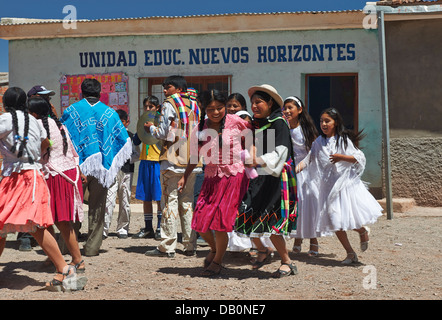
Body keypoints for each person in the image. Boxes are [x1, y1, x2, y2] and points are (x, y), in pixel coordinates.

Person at [0, 87, 83, 291]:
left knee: (20, 225)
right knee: (35, 226)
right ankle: (65, 269)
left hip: (16, 177)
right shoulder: (33, 122)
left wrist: (10, 154)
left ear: (6, 103)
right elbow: (46, 142)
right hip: (34, 175)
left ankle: (65, 269)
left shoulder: (7, 119)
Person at [296, 108, 383, 264]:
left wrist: (340, 157)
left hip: (342, 185)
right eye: (321, 121)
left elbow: (358, 157)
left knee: (343, 218)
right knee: (334, 220)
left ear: (335, 123)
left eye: (327, 121)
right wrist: (293, 170)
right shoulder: (318, 142)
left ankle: (361, 231)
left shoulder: (342, 140)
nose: (323, 124)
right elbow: (308, 160)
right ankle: (350, 252)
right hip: (327, 187)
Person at [178, 90, 251, 276]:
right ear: (203, 108)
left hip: (233, 176)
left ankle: (218, 262)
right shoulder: (200, 129)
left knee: (219, 222)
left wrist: (250, 156)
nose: (216, 112)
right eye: (211, 109)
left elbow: (252, 136)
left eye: (220, 108)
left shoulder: (236, 122)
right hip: (211, 178)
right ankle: (213, 250)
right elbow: (194, 156)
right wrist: (185, 176)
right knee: (199, 222)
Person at [61, 79, 132, 257]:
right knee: (98, 208)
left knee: (73, 207)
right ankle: (92, 248)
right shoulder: (109, 113)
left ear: (81, 93)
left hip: (77, 168)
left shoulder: (71, 110)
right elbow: (123, 140)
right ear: (100, 93)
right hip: (102, 167)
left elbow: (63, 136)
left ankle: (68, 247)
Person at [235, 84, 298, 278]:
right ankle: (263, 250)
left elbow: (281, 152)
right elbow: (252, 146)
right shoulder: (256, 124)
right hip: (258, 176)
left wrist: (258, 160)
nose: (254, 106)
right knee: (246, 214)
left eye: (259, 102)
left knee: (272, 221)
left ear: (270, 103)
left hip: (277, 179)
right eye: (252, 103)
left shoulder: (279, 123)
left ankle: (287, 261)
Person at [144, 75, 201, 258]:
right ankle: (190, 244)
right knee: (187, 202)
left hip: (172, 159)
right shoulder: (194, 104)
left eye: (167, 87)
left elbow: (164, 133)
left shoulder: (170, 103)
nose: (165, 90)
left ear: (176, 88)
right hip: (192, 159)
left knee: (169, 201)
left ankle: (167, 245)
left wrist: (151, 129)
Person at [27, 96, 86, 272]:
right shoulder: (58, 124)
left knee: (59, 221)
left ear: (34, 113)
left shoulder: (38, 126)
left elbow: (42, 147)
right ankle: (56, 257)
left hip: (54, 175)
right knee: (53, 221)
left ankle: (77, 259)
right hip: (66, 173)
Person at [282, 96, 320, 256]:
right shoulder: (283, 127)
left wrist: (302, 165)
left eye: (291, 107)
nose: (287, 110)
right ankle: (297, 239)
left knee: (309, 205)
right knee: (295, 206)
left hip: (306, 171)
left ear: (299, 110)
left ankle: (313, 239)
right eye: (285, 108)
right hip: (290, 171)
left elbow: (314, 150)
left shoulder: (306, 129)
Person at [103, 109, 140, 239]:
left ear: (126, 122)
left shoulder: (131, 136)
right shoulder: (108, 135)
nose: (119, 124)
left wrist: (125, 157)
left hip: (126, 171)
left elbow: (137, 155)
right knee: (109, 200)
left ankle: (123, 228)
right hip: (112, 172)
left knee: (125, 200)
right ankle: (104, 229)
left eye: (122, 121)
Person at [133, 96, 163, 240]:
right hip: (145, 161)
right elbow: (136, 140)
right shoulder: (142, 122)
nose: (148, 109)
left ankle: (160, 227)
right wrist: (141, 128)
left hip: (157, 161)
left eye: (151, 107)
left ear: (157, 108)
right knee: (146, 197)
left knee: (159, 197)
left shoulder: (161, 122)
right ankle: (148, 227)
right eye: (146, 106)